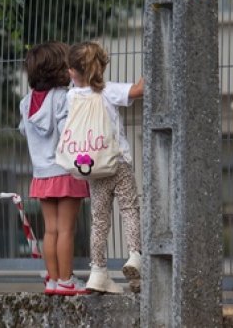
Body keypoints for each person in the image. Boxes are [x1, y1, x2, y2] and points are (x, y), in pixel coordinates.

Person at [66, 41, 144, 293]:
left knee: (99, 220)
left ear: (72, 72)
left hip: (91, 166)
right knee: (130, 209)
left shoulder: (71, 95)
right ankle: (135, 255)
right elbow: (138, 91)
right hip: (118, 161)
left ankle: (98, 271)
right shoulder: (109, 91)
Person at [19, 41, 90, 296]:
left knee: (50, 230)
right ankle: (67, 280)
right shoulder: (63, 98)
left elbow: (23, 129)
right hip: (66, 172)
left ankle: (52, 280)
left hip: (41, 175)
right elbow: (66, 133)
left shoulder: (26, 103)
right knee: (66, 229)